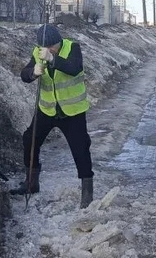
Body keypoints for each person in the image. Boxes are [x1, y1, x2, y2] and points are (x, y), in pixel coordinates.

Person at [9, 24, 94, 209]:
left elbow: (75, 68)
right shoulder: (37, 52)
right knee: (30, 140)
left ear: (59, 42)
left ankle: (87, 193)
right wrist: (33, 73)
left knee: (81, 148)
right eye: (45, 47)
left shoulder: (72, 48)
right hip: (47, 110)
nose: (49, 50)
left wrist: (52, 59)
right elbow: (24, 75)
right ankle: (31, 183)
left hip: (72, 111)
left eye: (52, 46)